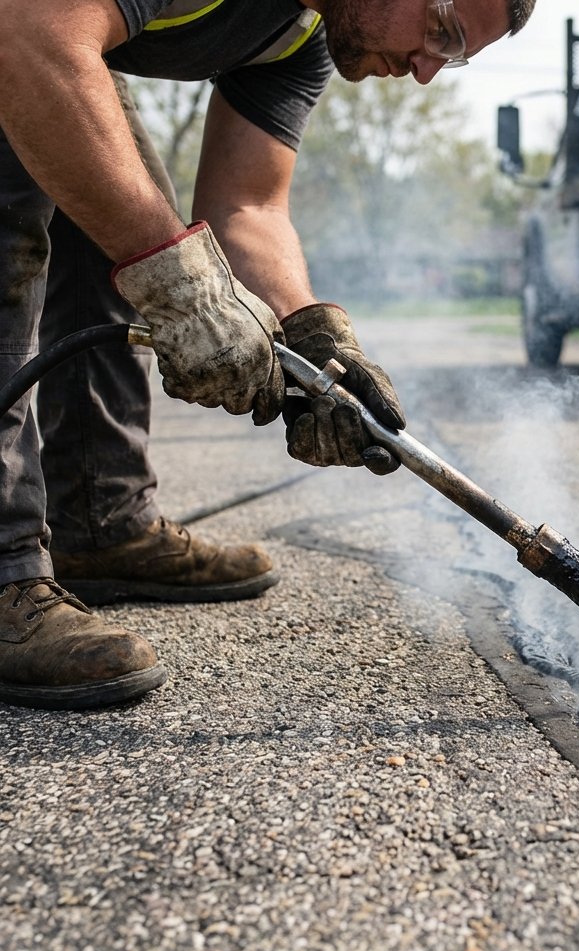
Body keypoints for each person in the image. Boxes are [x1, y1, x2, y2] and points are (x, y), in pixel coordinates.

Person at [0, 0, 536, 710]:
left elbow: (248, 205)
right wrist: (182, 285)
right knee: (19, 209)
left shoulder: (301, 36)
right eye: (441, 30)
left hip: (37, 30)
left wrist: (313, 334)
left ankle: (101, 522)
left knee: (119, 210)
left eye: (455, 55)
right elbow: (30, 34)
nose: (427, 71)